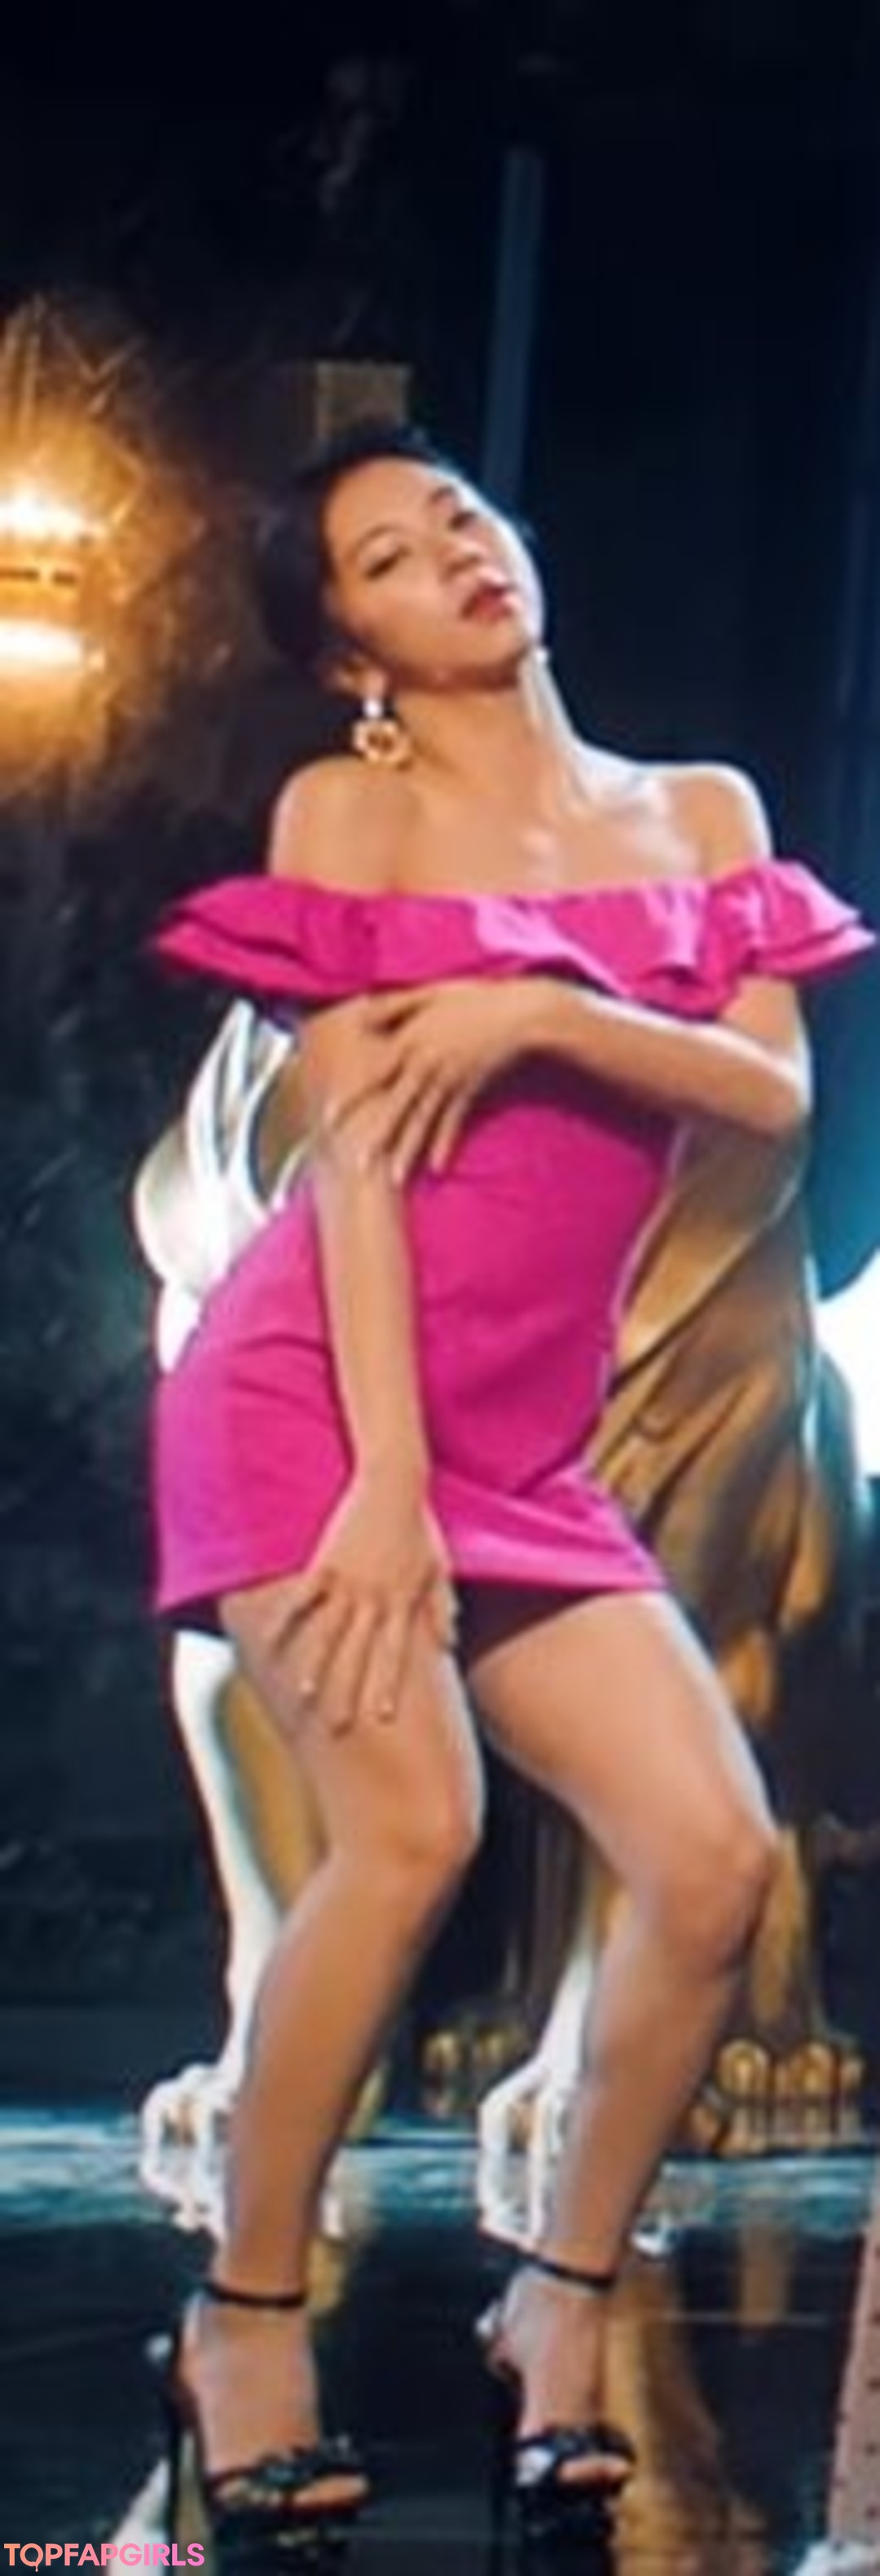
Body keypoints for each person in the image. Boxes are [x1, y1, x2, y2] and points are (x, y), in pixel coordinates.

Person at [149, 416, 873, 2561]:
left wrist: (537, 1010)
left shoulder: (698, 811)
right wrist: (387, 1477)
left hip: (527, 1446)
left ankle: (558, 2301)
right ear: (349, 651)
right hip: (321, 1404)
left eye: (458, 515)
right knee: (413, 1827)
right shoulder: (350, 814)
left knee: (712, 1859)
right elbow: (357, 1172)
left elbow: (768, 1088)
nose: (453, 552)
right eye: (389, 555)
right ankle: (241, 2324)